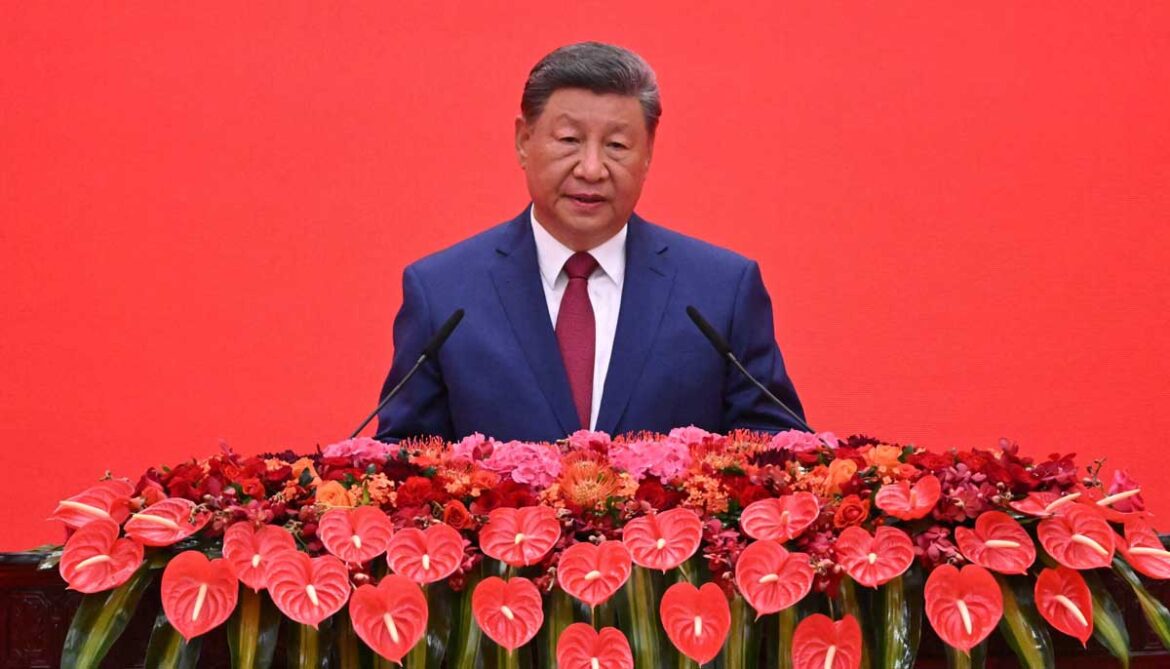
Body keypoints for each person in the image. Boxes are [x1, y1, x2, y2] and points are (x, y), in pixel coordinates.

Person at [375, 41, 805, 443]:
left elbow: (778, 454)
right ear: (524, 142)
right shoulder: (443, 292)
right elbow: (405, 463)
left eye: (617, 145)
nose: (592, 168)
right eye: (569, 141)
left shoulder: (721, 291)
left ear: (648, 153)